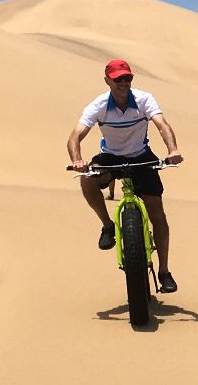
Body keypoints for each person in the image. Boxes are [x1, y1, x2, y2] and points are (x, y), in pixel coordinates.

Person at [68, 58, 185, 293]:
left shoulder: (143, 99)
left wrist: (172, 150)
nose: (123, 82)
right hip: (111, 156)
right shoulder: (99, 105)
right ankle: (107, 225)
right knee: (87, 179)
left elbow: (162, 124)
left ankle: (164, 272)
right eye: (118, 78)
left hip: (141, 156)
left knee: (158, 215)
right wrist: (77, 160)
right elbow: (75, 135)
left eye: (127, 78)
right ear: (107, 81)